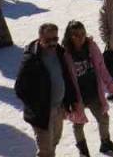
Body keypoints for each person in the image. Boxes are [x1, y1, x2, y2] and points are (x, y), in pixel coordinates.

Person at [15, 23, 81, 157]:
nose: (52, 43)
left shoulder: (59, 53)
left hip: (59, 108)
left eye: (55, 39)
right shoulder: (31, 59)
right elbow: (20, 88)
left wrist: (71, 101)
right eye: (48, 40)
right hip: (42, 112)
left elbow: (67, 78)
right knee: (46, 151)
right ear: (40, 39)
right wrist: (37, 106)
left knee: (54, 141)